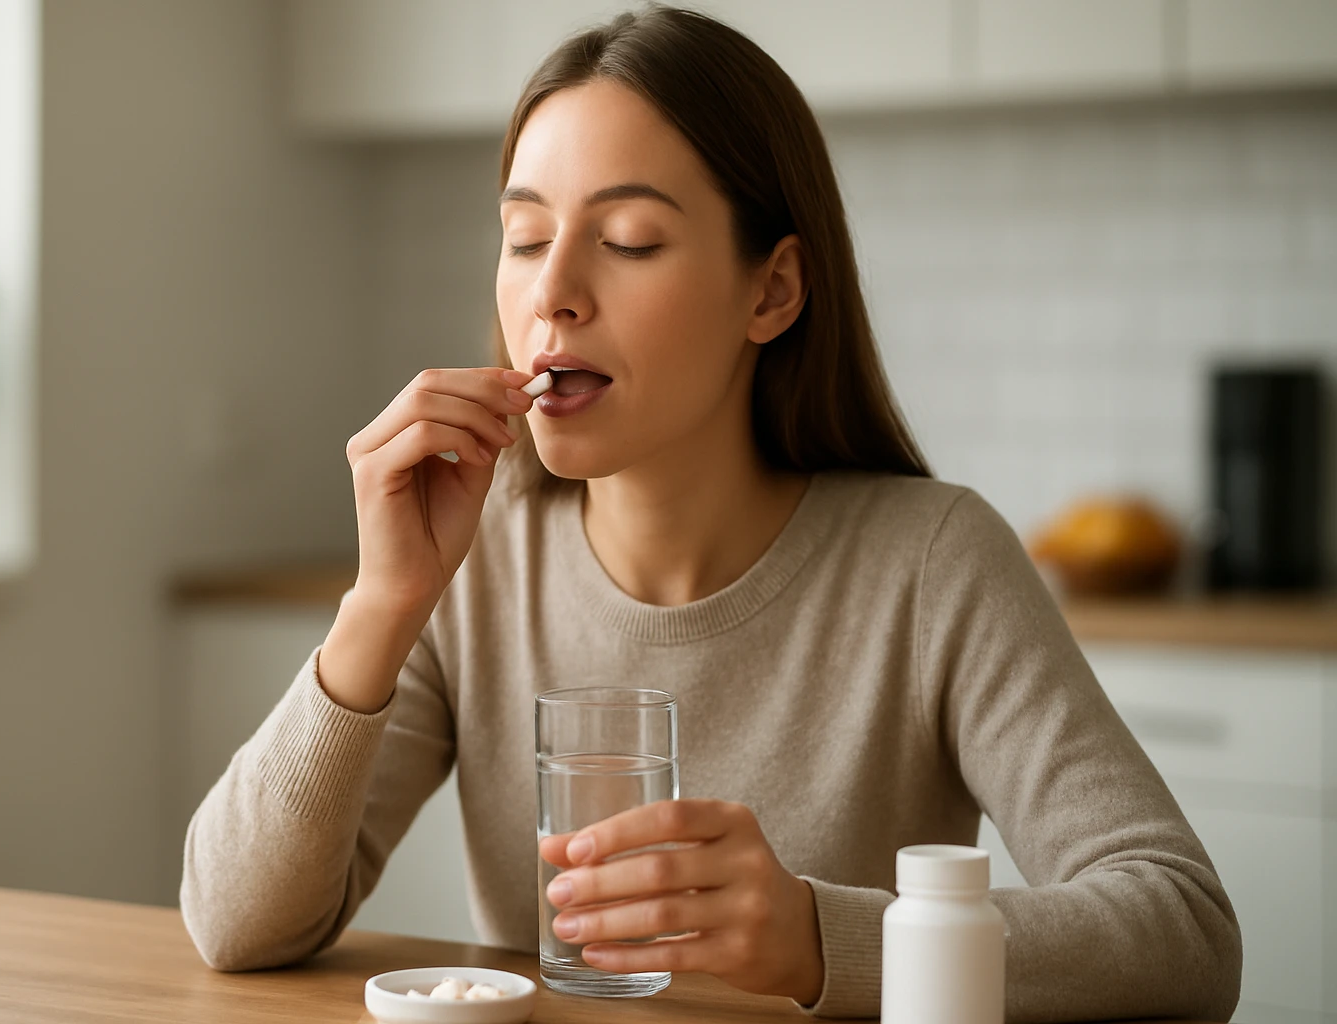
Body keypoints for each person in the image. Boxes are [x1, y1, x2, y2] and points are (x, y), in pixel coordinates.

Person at [180, 6, 1241, 1019]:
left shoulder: (933, 564)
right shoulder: (480, 560)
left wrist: (821, 938)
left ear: (772, 291)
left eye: (630, 239)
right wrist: (382, 602)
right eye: (523, 236)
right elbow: (233, 925)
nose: (552, 293)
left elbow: (1186, 930)